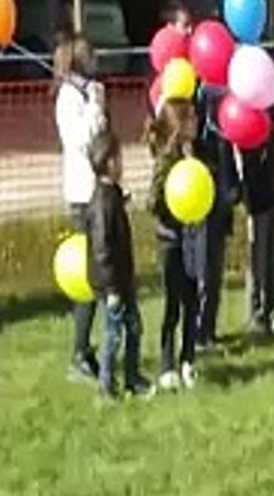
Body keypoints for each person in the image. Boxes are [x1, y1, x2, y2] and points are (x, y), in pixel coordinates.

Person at [52, 30, 108, 383]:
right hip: (82, 195)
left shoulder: (86, 92)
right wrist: (95, 106)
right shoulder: (69, 99)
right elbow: (82, 140)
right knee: (90, 276)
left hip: (98, 191)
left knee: (101, 272)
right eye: (90, 53)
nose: (96, 58)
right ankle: (80, 353)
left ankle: (90, 349)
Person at [85, 132, 153, 400]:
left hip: (123, 278)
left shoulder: (111, 195)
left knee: (134, 328)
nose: (122, 163)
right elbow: (102, 250)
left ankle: (133, 378)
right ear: (107, 162)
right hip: (112, 283)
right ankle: (105, 386)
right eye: (118, 158)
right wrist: (112, 288)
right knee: (113, 335)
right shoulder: (102, 202)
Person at [147, 98, 201, 391]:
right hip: (170, 241)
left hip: (193, 238)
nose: (197, 122)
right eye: (191, 118)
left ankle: (188, 360)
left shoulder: (194, 153)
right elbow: (151, 201)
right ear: (179, 124)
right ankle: (167, 364)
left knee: (193, 302)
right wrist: (173, 202)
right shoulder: (166, 160)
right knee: (173, 305)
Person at [193, 81, 241, 351]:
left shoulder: (222, 115)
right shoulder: (198, 108)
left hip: (221, 200)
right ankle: (199, 331)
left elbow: (227, 155)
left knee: (215, 268)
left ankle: (209, 329)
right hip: (201, 200)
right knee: (203, 267)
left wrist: (233, 186)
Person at [237, 107, 274, 336]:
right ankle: (257, 312)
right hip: (258, 203)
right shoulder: (250, 139)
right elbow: (249, 171)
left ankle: (272, 309)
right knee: (258, 259)